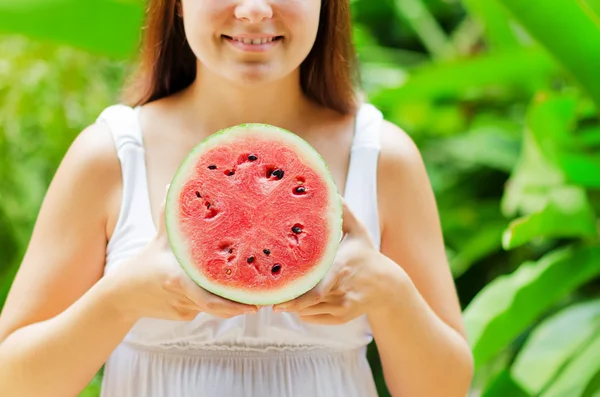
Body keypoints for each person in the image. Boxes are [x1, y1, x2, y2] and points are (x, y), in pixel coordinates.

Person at [0, 0, 474, 396]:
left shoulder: (382, 157)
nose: (253, 11)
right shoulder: (111, 156)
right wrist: (122, 299)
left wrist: (391, 295)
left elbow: (444, 388)